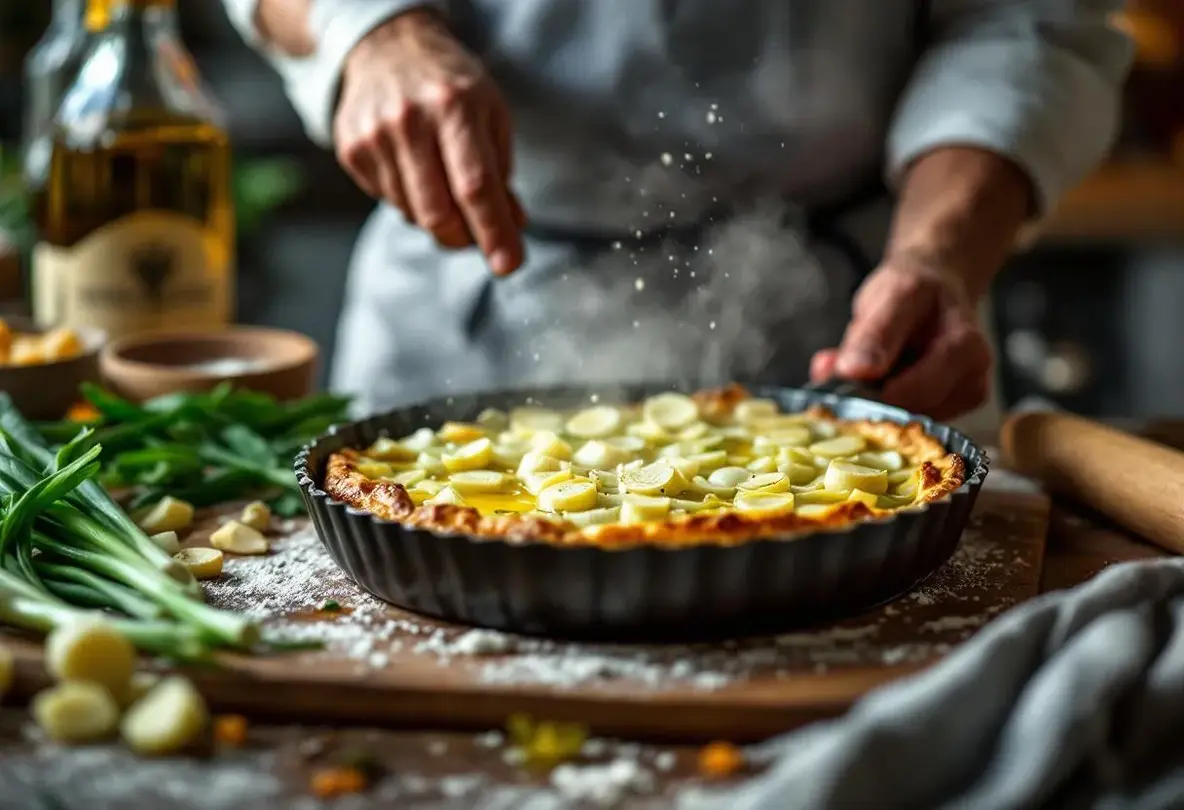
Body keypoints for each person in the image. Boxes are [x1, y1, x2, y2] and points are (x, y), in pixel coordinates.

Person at [221, 0, 1131, 419]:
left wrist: (936, 257)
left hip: (849, 323)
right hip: (469, 293)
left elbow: (1027, 21)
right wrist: (373, 29)